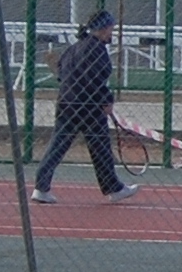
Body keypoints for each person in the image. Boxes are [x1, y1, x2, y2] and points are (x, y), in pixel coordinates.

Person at [31, 11, 139, 205]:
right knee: (100, 147)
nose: (112, 32)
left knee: (58, 146)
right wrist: (106, 101)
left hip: (67, 104)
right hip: (89, 107)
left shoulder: (74, 48)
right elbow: (94, 80)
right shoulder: (97, 50)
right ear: (103, 29)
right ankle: (113, 188)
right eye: (111, 28)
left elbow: (62, 73)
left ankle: (41, 187)